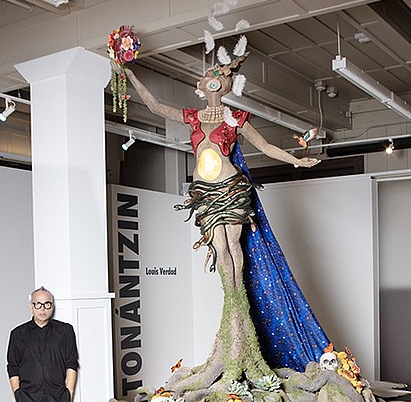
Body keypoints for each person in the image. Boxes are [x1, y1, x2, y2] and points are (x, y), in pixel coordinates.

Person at [123, 53, 320, 290]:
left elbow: (265, 146)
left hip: (229, 187)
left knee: (234, 243)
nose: (209, 79)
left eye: (214, 76)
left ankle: (238, 294)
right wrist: (130, 74)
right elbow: (155, 107)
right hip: (203, 191)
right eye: (207, 76)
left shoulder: (234, 119)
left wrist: (295, 161)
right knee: (219, 246)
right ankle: (231, 295)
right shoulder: (193, 118)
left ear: (224, 85)